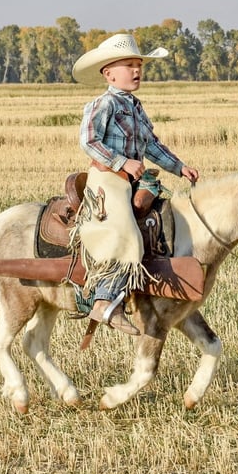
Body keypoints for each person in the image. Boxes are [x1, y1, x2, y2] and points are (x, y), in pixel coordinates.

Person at [70, 33, 200, 339]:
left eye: (139, 64)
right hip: (108, 180)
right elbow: (88, 141)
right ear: (109, 73)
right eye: (129, 65)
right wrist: (121, 162)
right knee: (125, 233)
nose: (136, 70)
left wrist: (179, 167)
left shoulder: (136, 108)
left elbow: (152, 146)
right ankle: (104, 301)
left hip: (133, 181)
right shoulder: (103, 104)